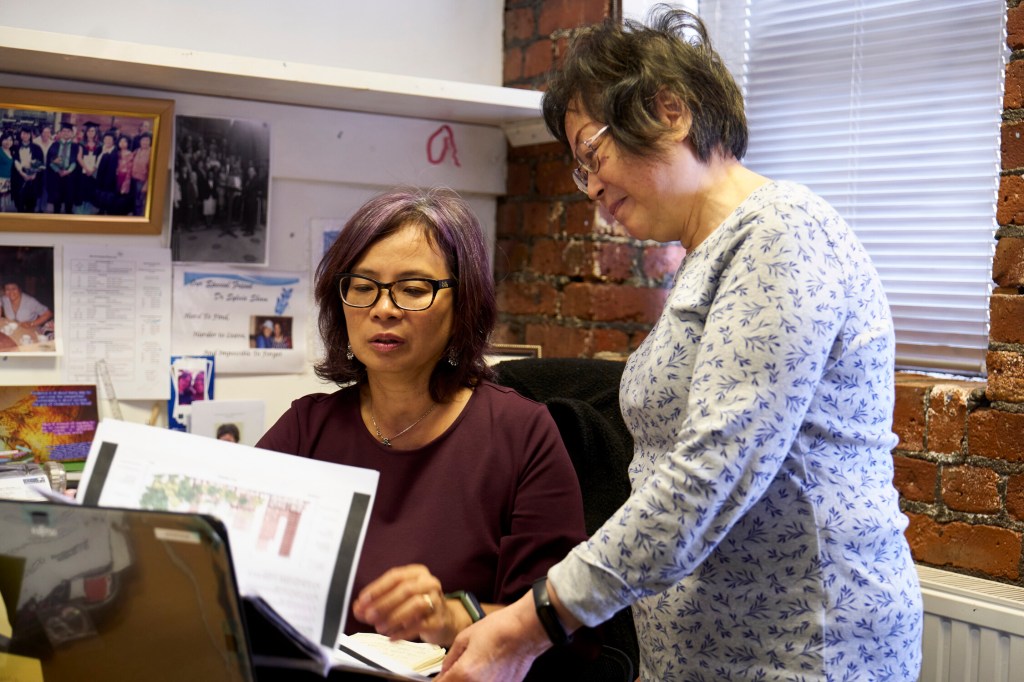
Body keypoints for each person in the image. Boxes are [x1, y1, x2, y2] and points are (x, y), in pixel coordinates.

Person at [440, 8, 923, 682]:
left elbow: (712, 474)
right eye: (580, 171)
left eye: (592, 154)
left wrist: (531, 623)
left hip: (804, 651)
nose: (591, 187)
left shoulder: (782, 233)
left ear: (669, 112)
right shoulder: (711, 257)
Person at [256, 188, 586, 652]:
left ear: (463, 305)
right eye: (362, 287)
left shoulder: (522, 434)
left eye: (413, 289)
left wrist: (450, 618)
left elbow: (566, 626)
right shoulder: (306, 429)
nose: (383, 309)